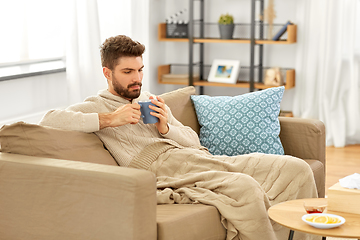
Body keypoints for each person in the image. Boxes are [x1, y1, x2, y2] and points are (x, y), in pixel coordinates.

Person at [40, 35, 318, 240]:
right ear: (107, 73)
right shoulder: (95, 106)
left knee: (296, 169)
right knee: (244, 187)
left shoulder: (149, 100)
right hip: (161, 170)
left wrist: (165, 126)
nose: (136, 78)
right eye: (127, 72)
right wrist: (111, 119)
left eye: (139, 70)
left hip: (194, 157)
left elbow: (193, 143)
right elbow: (49, 119)